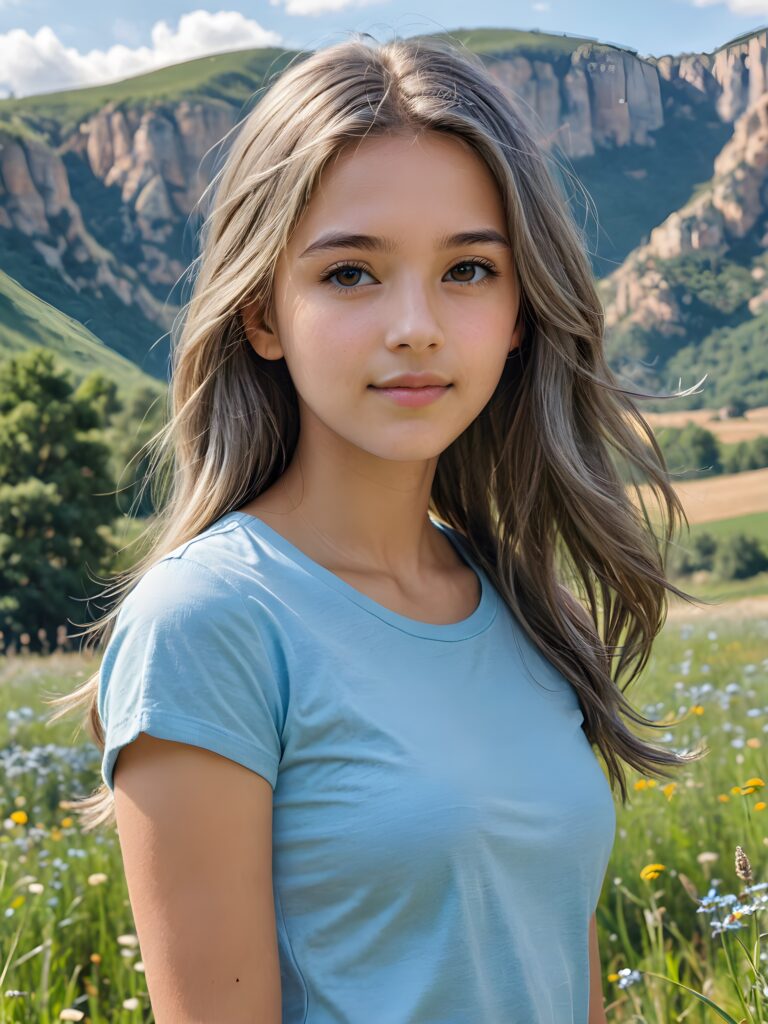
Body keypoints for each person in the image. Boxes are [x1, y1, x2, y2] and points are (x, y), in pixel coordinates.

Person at [48, 32, 709, 1024]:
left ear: (522, 309)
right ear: (264, 313)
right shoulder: (210, 624)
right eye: (352, 273)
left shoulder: (523, 606)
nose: (417, 325)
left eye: (470, 271)